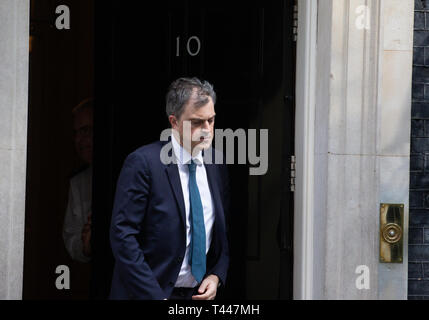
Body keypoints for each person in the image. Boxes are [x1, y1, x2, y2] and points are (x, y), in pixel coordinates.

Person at [109, 77, 230, 300]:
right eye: (196, 122)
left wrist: (216, 275)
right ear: (174, 122)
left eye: (211, 121)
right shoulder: (143, 163)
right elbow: (123, 237)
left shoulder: (217, 164)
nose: (206, 130)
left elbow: (221, 234)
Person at [63, 98, 94, 263]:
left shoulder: (132, 171)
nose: (79, 140)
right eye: (76, 133)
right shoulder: (78, 183)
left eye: (86, 130)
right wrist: (85, 245)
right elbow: (70, 236)